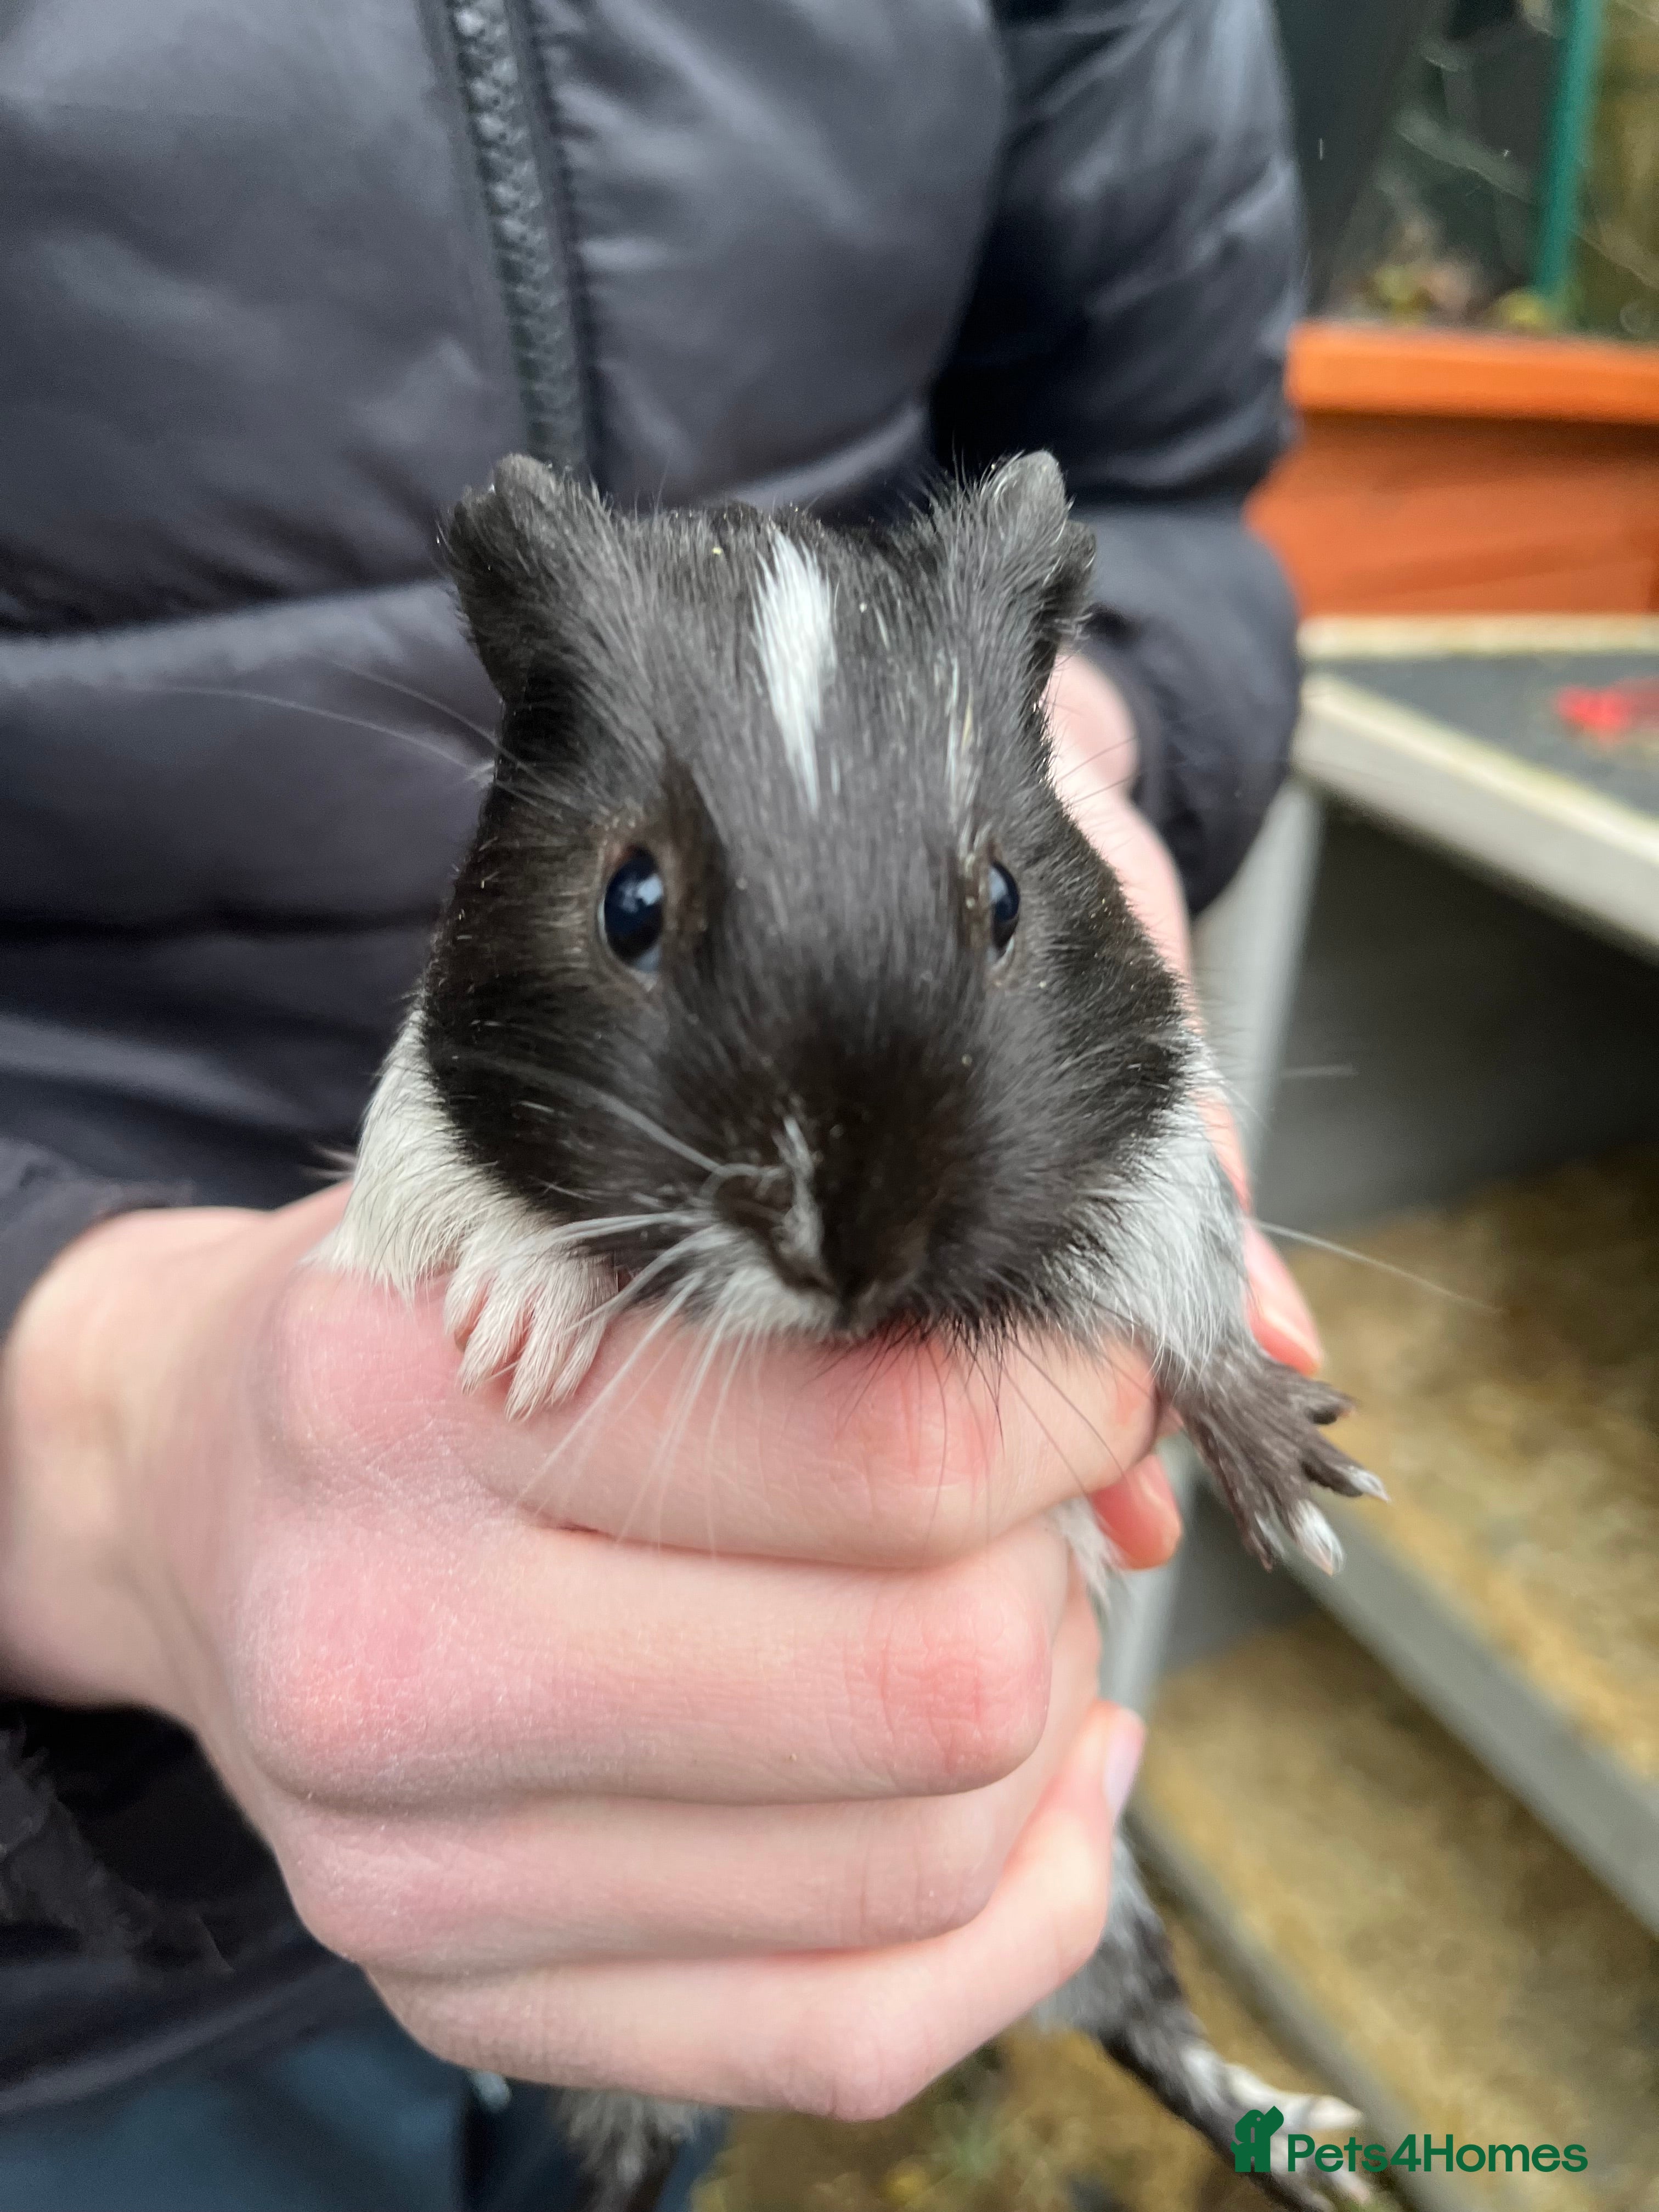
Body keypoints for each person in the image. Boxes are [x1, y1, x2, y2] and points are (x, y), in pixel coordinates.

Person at [0, 1, 1322, 2205]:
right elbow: (423, 1187)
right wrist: (98, 1428)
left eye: (1005, 905)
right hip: (82, 1973)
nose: (843, 1228)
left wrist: (1094, 764)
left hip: (767, 1808)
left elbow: (1160, 488)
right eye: (637, 908)